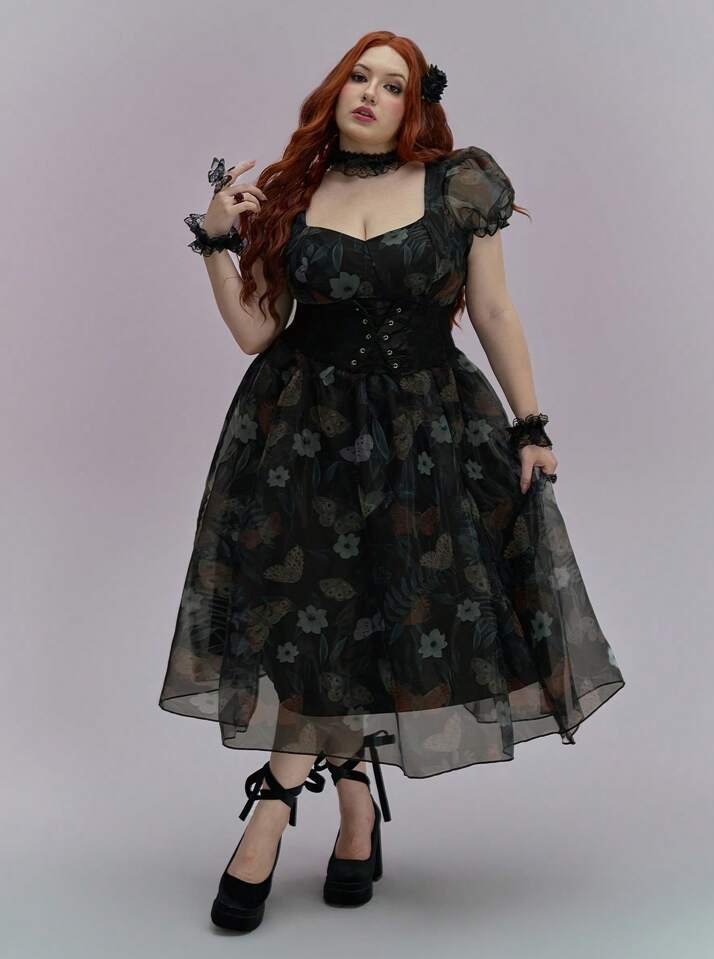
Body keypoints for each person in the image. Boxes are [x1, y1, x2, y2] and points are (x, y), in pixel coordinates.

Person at [158, 30, 626, 932]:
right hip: (304, 431)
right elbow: (257, 332)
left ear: (415, 105)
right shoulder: (291, 196)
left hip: (425, 431)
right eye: (359, 78)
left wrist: (530, 425)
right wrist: (216, 238)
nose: (370, 93)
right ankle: (349, 811)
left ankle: (276, 807)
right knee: (313, 617)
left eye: (393, 84)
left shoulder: (459, 186)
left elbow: (492, 308)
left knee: (382, 613)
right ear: (335, 92)